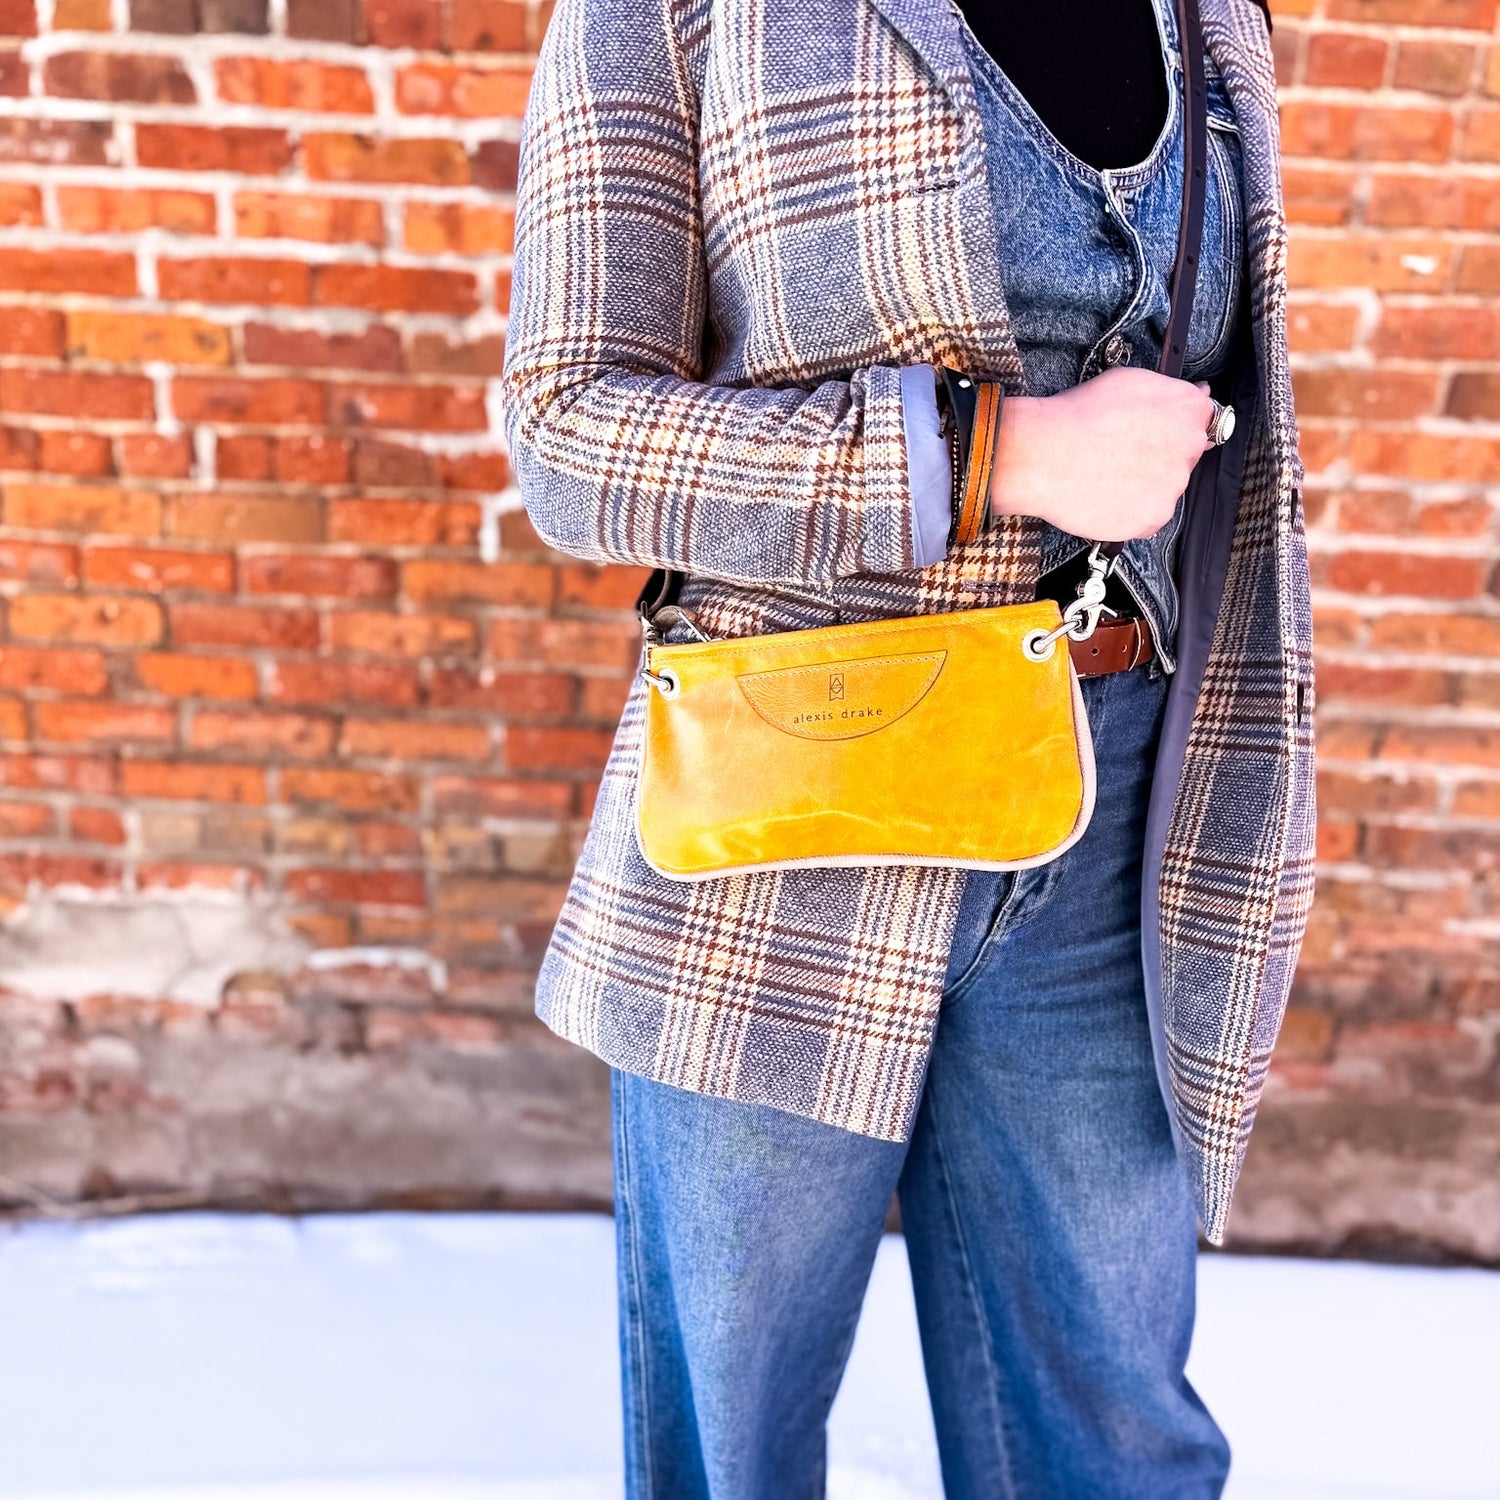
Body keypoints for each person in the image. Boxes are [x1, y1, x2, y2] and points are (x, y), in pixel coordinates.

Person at [501, 0, 1312, 1493]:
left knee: (1114, 1432)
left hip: (1112, 795)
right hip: (797, 801)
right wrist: (988, 453)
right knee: (735, 1432)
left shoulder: (1212, 16)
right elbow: (569, 433)